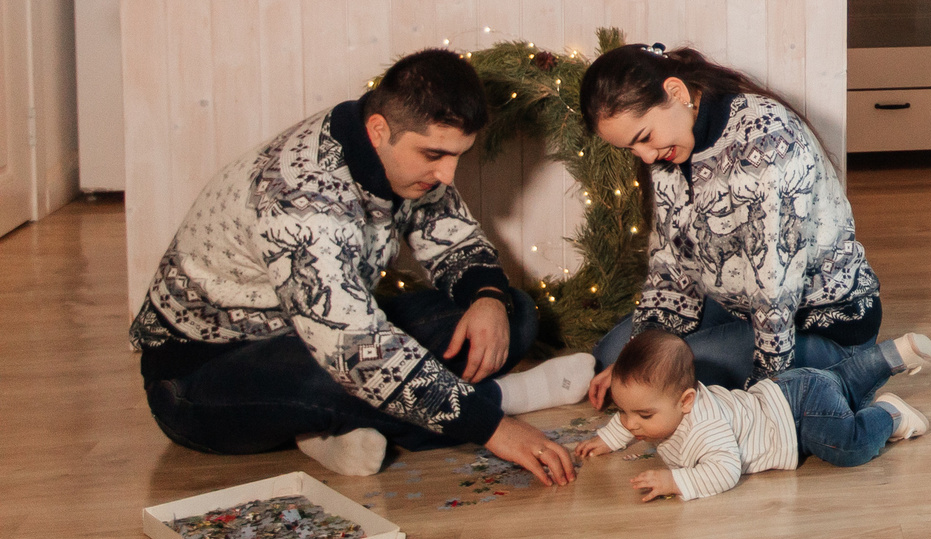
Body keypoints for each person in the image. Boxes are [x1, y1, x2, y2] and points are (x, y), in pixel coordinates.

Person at [132, 48, 595, 482]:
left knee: (513, 313)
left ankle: (327, 430)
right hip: (199, 377)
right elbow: (357, 352)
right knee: (347, 372)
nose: (447, 176)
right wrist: (495, 427)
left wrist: (488, 297)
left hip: (313, 334)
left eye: (458, 155)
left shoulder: (392, 148)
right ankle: (503, 398)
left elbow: (452, 239)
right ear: (378, 130)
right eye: (434, 155)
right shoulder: (301, 204)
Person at [580, 44, 929, 399]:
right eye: (630, 149)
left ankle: (851, 371)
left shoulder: (766, 140)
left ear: (676, 92)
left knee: (658, 379)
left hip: (816, 325)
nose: (645, 156)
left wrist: (770, 394)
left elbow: (775, 283)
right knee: (617, 359)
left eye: (644, 138)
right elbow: (670, 258)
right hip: (738, 307)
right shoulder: (669, 149)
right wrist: (644, 347)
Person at [574, 326, 931, 501]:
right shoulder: (663, 407)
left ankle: (891, 415)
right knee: (839, 381)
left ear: (686, 401)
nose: (631, 423)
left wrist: (675, 482)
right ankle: (890, 355)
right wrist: (609, 437)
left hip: (797, 421)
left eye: (643, 416)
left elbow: (726, 471)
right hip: (788, 386)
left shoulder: (705, 428)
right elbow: (631, 415)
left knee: (848, 444)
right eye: (624, 413)